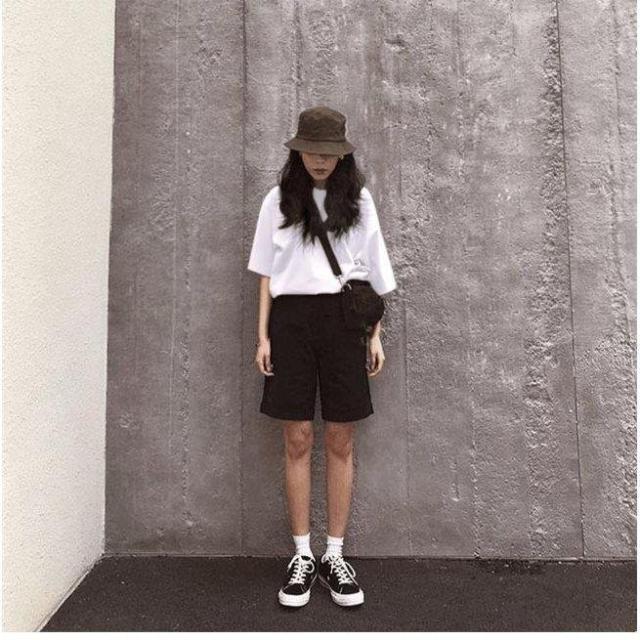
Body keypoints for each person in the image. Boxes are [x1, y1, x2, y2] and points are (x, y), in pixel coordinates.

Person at [246, 106, 397, 608]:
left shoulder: (359, 200)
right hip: (289, 322)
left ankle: (334, 554)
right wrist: (263, 337)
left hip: (342, 322)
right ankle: (301, 554)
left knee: (340, 437)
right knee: (296, 437)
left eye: (329, 152)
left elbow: (371, 274)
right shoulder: (277, 201)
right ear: (298, 151)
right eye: (311, 150)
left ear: (342, 155)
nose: (319, 160)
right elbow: (266, 274)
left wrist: (373, 335)